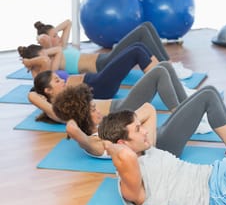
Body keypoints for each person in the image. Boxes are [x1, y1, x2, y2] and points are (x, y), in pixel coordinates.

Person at [97, 88, 226, 205]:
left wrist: (120, 125)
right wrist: (108, 144)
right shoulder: (131, 187)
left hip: (216, 172)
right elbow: (126, 156)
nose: (145, 131)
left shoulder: (147, 149)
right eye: (138, 129)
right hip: (218, 193)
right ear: (122, 143)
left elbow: (148, 109)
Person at [51, 76, 215, 158]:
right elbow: (73, 130)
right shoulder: (96, 143)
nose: (99, 111)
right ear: (82, 118)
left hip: (156, 136)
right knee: (207, 94)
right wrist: (73, 115)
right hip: (162, 148)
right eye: (93, 110)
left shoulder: (101, 129)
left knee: (204, 95)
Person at [30, 61, 190, 127]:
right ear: (47, 91)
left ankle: (186, 105)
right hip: (121, 110)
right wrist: (37, 93)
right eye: (57, 81)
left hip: (119, 104)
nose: (62, 81)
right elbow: (32, 95)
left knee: (163, 66)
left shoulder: (63, 100)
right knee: (160, 71)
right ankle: (181, 116)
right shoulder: (57, 111)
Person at [34, 20, 192, 79]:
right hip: (103, 65)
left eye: (56, 34)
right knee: (142, 32)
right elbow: (42, 47)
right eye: (52, 37)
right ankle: (168, 67)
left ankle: (169, 64)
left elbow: (68, 23)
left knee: (147, 25)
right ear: (45, 42)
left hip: (104, 58)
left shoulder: (61, 47)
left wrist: (51, 33)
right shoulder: (53, 56)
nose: (57, 37)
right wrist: (43, 39)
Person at [20, 43, 161, 99]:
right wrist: (28, 62)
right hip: (98, 86)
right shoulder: (42, 75)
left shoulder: (48, 72)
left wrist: (32, 61)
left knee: (137, 46)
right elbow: (44, 61)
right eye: (43, 54)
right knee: (135, 51)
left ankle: (164, 75)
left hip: (96, 80)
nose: (47, 56)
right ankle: (162, 81)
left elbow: (50, 54)